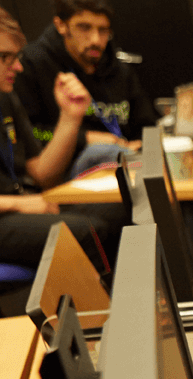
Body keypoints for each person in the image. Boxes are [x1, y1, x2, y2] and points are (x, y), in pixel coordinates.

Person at [1, 7, 120, 273]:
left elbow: (42, 174)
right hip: (7, 212)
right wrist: (20, 203)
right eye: (5, 57)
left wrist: (70, 117)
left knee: (117, 210)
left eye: (16, 57)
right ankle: (112, 311)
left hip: (23, 204)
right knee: (86, 232)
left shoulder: (6, 97)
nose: (18, 67)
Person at [13, 0, 156, 178]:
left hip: (125, 161)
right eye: (84, 28)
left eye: (103, 30)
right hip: (65, 170)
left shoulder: (120, 70)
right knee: (102, 153)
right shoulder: (30, 65)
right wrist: (86, 138)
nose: (95, 39)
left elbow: (147, 125)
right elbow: (32, 133)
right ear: (61, 25)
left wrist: (141, 145)